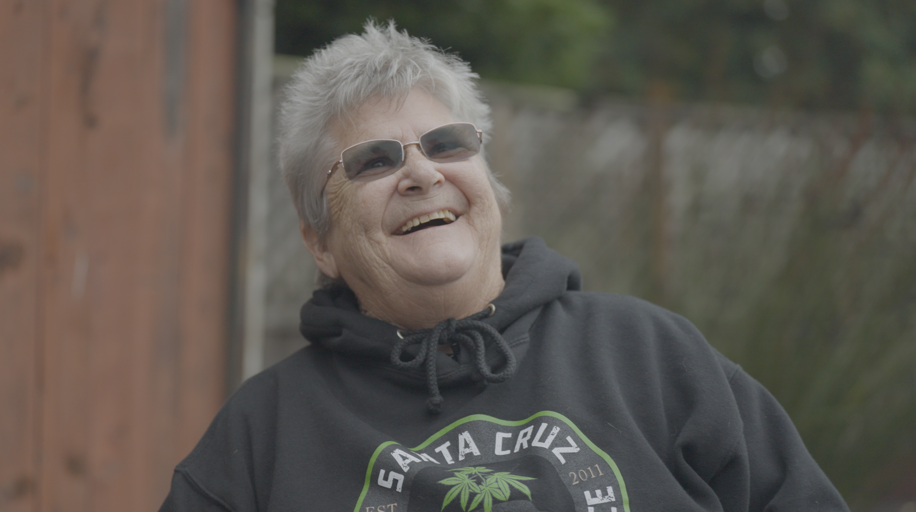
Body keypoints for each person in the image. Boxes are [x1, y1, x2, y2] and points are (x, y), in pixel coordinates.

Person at [159, 21, 849, 512]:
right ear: (321, 242)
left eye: (447, 143)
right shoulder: (263, 435)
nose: (423, 173)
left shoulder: (655, 357)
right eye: (375, 160)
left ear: (491, 184)